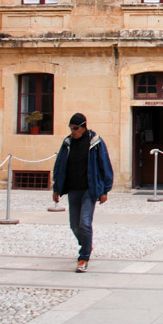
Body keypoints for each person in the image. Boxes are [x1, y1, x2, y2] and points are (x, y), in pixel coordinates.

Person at [52, 113, 114, 273]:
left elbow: (104, 164)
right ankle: (87, 244)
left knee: (85, 223)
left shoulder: (95, 142)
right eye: (71, 128)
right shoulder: (67, 143)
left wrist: (105, 189)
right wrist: (56, 188)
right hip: (73, 188)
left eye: (75, 128)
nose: (73, 131)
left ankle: (83, 257)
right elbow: (59, 165)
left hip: (89, 189)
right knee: (74, 225)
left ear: (83, 126)